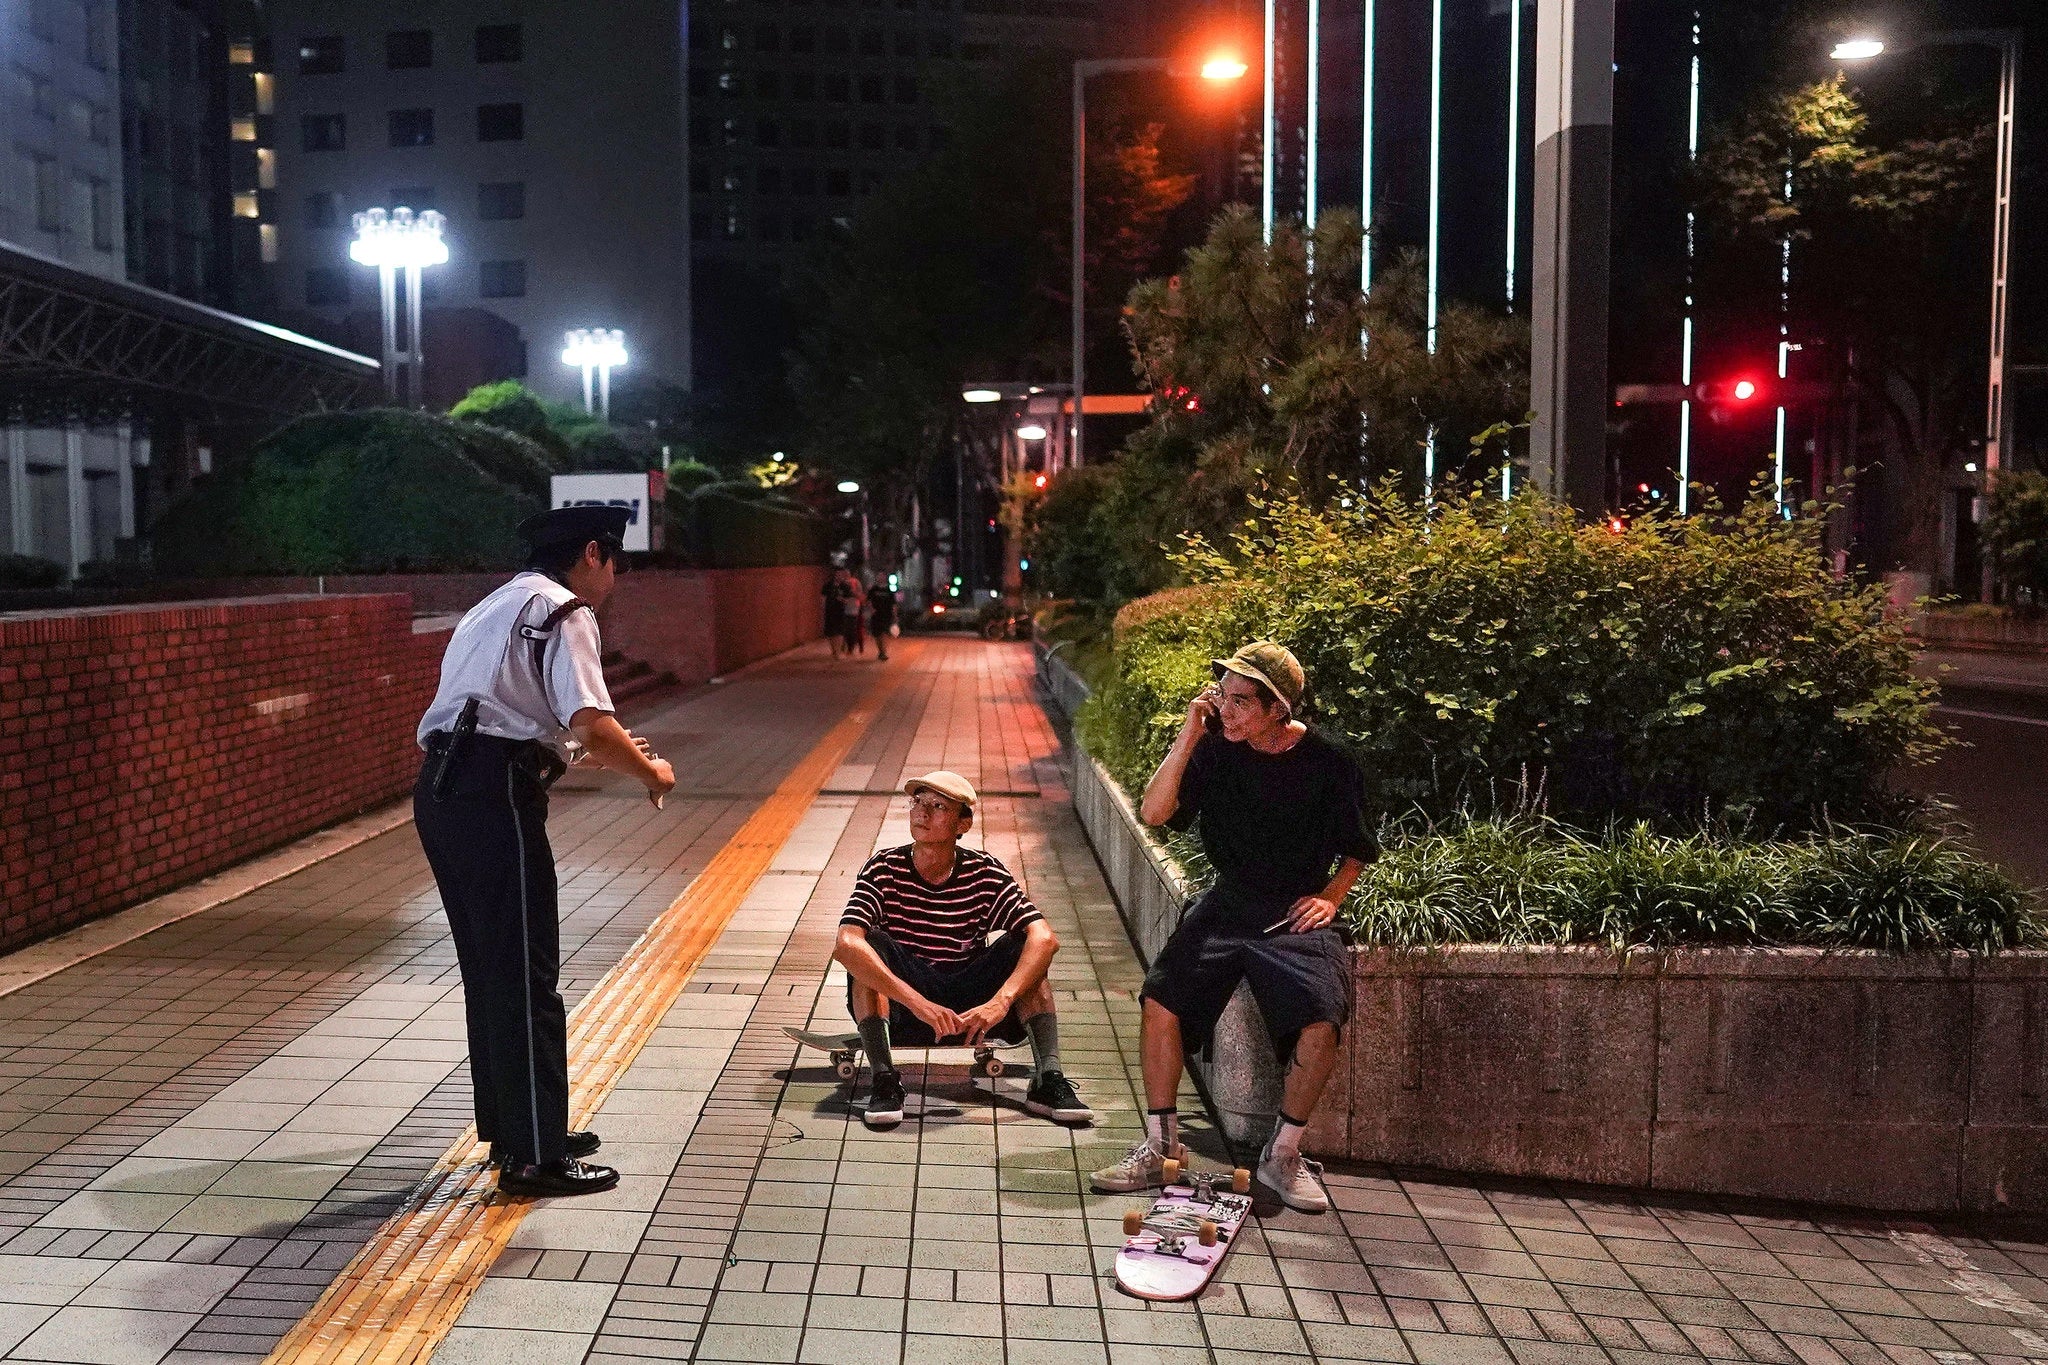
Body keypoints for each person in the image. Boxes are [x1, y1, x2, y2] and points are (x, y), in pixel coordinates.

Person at [414, 506, 677, 1198]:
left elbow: (516, 714)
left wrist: (581, 753)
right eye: (614, 559)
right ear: (591, 553)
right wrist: (651, 774)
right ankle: (535, 1157)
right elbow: (592, 722)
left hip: (444, 791)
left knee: (491, 968)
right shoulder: (566, 610)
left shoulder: (493, 606)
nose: (615, 574)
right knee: (528, 972)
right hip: (495, 796)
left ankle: (516, 1126)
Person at [1089, 641, 1371, 1212]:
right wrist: (1190, 733)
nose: (1228, 708)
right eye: (1224, 695)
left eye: (1243, 700)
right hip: (1227, 902)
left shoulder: (1329, 761)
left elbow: (1356, 848)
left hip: (1292, 910)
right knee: (1160, 1001)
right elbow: (1155, 813)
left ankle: (1284, 1155)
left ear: (1278, 708)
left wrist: (1330, 899)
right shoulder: (1217, 750)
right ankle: (1162, 1147)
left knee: (1322, 1018)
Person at [833, 771, 1092, 1129]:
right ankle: (884, 1080)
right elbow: (845, 945)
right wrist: (917, 1003)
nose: (922, 814)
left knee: (1026, 947)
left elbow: (1045, 938)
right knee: (868, 947)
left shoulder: (984, 871)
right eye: (917, 803)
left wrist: (999, 1003)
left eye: (938, 806)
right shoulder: (885, 867)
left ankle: (1048, 1079)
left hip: (972, 1013)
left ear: (962, 824)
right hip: (907, 1012)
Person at [865, 577, 898, 661]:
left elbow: (893, 603)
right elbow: (868, 600)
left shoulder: (889, 590)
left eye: (882, 576)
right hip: (876, 614)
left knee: (884, 632)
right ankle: (881, 651)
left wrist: (894, 615)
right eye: (879, 576)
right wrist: (871, 609)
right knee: (877, 634)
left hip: (887, 614)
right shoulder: (873, 589)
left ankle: (883, 652)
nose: (880, 578)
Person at [823, 570, 847, 658]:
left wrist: (843, 600)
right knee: (831, 632)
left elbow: (848, 599)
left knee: (840, 631)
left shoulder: (844, 586)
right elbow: (823, 598)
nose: (839, 576)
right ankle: (834, 650)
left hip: (840, 611)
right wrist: (823, 609)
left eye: (840, 575)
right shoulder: (828, 586)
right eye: (837, 574)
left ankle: (838, 652)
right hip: (829, 611)